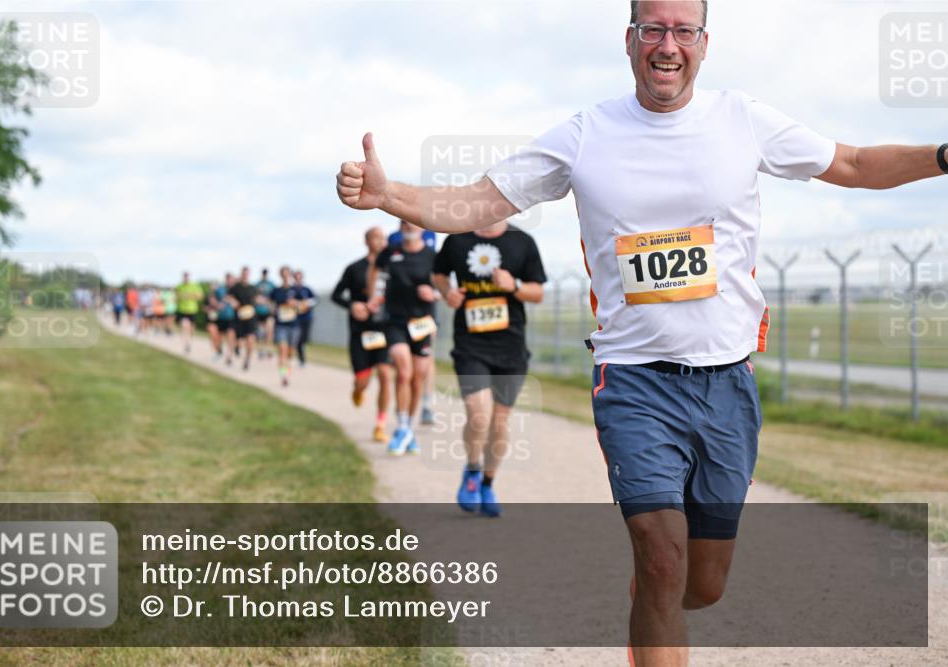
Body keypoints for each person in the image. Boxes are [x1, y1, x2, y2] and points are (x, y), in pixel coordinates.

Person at [335, 0, 946, 662]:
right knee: (661, 554)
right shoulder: (586, 134)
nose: (668, 43)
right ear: (629, 40)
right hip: (633, 380)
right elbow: (481, 200)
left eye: (683, 30)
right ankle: (655, 588)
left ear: (704, 44)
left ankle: (654, 598)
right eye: (653, 28)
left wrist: (941, 154)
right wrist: (388, 194)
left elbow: (854, 164)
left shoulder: (742, 119)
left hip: (727, 383)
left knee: (700, 585)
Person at [433, 220, 546, 517]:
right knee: (478, 413)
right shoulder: (457, 240)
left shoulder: (522, 241)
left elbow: (538, 292)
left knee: (498, 422)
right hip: (471, 344)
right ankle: (472, 470)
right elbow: (439, 274)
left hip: (511, 347)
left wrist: (515, 286)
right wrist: (448, 293)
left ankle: (487, 482)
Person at [368, 220, 439, 455]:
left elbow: (446, 286)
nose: (409, 226)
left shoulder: (432, 256)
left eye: (413, 223)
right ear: (399, 228)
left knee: (417, 379)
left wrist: (434, 294)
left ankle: (408, 429)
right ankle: (400, 426)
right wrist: (373, 295)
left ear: (421, 227)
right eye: (404, 223)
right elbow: (374, 269)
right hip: (395, 322)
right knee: (403, 371)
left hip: (422, 324)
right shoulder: (391, 253)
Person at [332, 227, 394, 443]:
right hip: (361, 332)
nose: (381, 241)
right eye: (376, 237)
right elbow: (336, 295)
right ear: (367, 241)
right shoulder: (354, 268)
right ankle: (358, 389)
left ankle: (380, 424)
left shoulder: (391, 267)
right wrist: (353, 305)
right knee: (363, 382)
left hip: (385, 330)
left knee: (386, 375)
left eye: (384, 237)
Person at [271, 266, 300, 386]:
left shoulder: (297, 290)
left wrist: (296, 304)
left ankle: (286, 369)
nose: (285, 277)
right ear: (280, 275)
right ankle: (284, 376)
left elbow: (307, 304)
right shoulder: (276, 291)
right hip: (280, 325)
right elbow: (270, 304)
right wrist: (273, 309)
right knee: (282, 350)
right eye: (283, 274)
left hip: (294, 325)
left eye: (287, 274)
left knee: (290, 352)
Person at [228, 267, 259, 371]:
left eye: (247, 274)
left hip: (250, 318)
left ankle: (247, 360)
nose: (245, 275)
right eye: (244, 274)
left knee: (250, 339)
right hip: (238, 318)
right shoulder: (236, 288)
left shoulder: (253, 288)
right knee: (233, 336)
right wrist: (232, 301)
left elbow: (259, 299)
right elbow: (228, 297)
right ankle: (231, 353)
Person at [176, 272, 204, 354]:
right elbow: (176, 297)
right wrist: (179, 298)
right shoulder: (179, 286)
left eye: (186, 277)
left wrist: (190, 296)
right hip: (182, 310)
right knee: (185, 326)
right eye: (184, 277)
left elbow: (200, 296)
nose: (185, 278)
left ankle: (189, 341)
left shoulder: (194, 286)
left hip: (192, 310)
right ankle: (186, 344)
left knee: (191, 328)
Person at [293, 270, 317, 367]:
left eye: (300, 277)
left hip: (306, 317)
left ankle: (302, 352)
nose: (298, 279)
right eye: (296, 277)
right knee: (297, 339)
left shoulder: (307, 289)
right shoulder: (292, 290)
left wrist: (308, 303)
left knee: (304, 338)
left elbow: (315, 300)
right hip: (295, 318)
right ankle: (300, 357)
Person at [255, 268, 276, 359]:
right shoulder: (257, 284)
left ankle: (269, 349)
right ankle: (261, 350)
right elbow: (254, 297)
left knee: (269, 331)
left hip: (268, 312)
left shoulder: (272, 285)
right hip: (259, 311)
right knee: (260, 333)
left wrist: (271, 306)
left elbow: (275, 298)